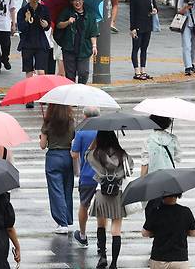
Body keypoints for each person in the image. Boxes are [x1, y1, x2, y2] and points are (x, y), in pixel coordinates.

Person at [86, 131, 134, 269]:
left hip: (102, 192)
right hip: (117, 193)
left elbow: (86, 156)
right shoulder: (123, 155)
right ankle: (114, 263)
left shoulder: (96, 154)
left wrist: (94, 142)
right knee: (116, 230)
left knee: (101, 225)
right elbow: (130, 168)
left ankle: (102, 257)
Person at [39, 104, 75, 234]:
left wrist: (42, 137)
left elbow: (42, 145)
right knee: (67, 189)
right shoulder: (71, 121)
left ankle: (62, 222)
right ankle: (68, 219)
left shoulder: (48, 122)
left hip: (53, 157)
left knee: (56, 190)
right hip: (68, 157)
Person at [142, 193, 195, 269]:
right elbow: (193, 233)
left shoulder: (156, 211)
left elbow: (145, 233)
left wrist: (156, 232)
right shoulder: (186, 211)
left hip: (159, 258)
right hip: (180, 259)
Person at [55, 0, 99, 84]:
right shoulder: (67, 12)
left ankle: (81, 91)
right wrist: (68, 22)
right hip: (69, 49)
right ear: (71, 2)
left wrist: (94, 46)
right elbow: (58, 25)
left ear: (83, 0)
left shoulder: (90, 15)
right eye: (74, 0)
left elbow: (93, 32)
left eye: (79, 0)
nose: (77, 2)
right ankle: (72, 94)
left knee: (84, 72)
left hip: (84, 49)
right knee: (70, 75)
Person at [71, 106, 100, 247]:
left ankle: (82, 234)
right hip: (103, 176)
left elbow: (75, 154)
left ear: (84, 116)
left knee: (84, 204)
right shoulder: (104, 130)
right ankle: (102, 239)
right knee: (102, 207)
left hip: (87, 175)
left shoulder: (81, 131)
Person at [141, 115, 181, 216]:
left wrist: (142, 182)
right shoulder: (173, 138)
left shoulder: (148, 140)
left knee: (152, 210)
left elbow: (145, 163)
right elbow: (178, 158)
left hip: (153, 180)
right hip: (170, 179)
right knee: (170, 208)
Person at [17, 0, 51, 108]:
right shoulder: (22, 11)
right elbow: (21, 28)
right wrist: (26, 20)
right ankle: (30, 97)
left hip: (41, 43)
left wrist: (46, 25)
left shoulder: (44, 9)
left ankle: (42, 95)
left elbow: (48, 26)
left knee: (41, 71)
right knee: (29, 72)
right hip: (27, 44)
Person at [129, 0, 156, 81]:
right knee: (136, 48)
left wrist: (154, 11)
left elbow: (154, 7)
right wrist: (132, 28)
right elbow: (132, 13)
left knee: (144, 48)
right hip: (138, 25)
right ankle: (136, 71)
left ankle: (143, 70)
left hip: (148, 24)